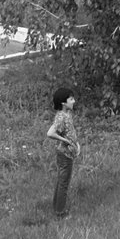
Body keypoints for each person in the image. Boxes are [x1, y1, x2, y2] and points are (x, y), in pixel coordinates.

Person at [45, 87, 79, 217]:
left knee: (62, 181)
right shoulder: (61, 117)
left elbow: (70, 131)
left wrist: (76, 143)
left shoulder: (67, 115)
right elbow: (50, 133)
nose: (74, 101)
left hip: (68, 154)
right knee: (63, 183)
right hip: (64, 155)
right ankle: (60, 213)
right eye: (71, 99)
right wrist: (66, 141)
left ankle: (57, 207)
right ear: (64, 103)